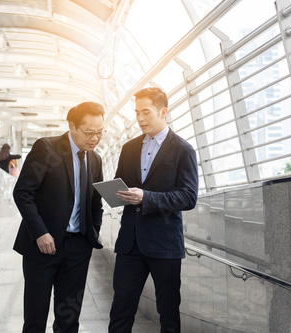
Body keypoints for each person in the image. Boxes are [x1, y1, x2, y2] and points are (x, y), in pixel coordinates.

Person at [108, 87, 198, 333]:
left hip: (164, 244)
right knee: (120, 311)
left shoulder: (183, 150)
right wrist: (115, 193)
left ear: (163, 111)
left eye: (145, 112)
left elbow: (189, 196)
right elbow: (121, 185)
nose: (140, 118)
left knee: (168, 314)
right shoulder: (128, 148)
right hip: (130, 243)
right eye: (137, 113)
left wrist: (146, 198)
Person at [13, 102, 106, 333]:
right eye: (89, 132)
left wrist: (91, 233)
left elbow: (96, 203)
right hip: (42, 247)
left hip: (78, 248)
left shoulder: (95, 159)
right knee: (35, 318)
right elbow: (23, 192)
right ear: (72, 126)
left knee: (69, 320)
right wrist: (40, 233)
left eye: (100, 132)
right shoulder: (47, 148)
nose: (95, 138)